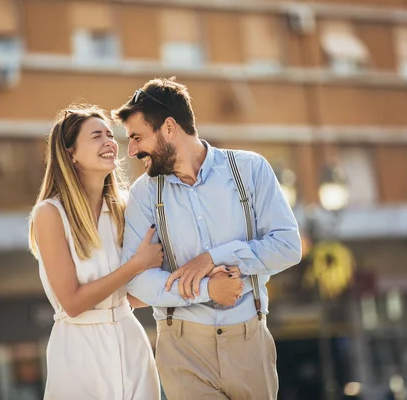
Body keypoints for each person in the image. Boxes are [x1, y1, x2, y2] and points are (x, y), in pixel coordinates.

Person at [113, 77, 302, 400]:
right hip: (183, 349)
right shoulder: (144, 194)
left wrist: (215, 258)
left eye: (137, 137)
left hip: (249, 344)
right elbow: (138, 282)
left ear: (170, 128)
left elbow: (288, 246)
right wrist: (207, 289)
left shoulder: (250, 170)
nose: (131, 150)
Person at [28, 104, 162, 399]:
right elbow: (73, 303)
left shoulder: (126, 207)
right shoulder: (50, 214)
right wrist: (136, 265)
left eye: (110, 135)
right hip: (79, 351)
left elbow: (133, 295)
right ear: (70, 153)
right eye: (96, 136)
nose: (109, 142)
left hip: (132, 343)